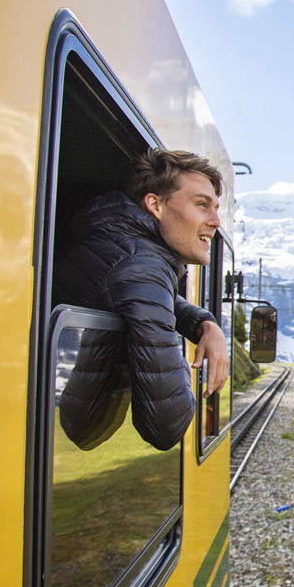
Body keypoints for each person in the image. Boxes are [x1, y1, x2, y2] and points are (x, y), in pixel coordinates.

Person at [56, 148, 229, 451]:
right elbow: (167, 426)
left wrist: (204, 323)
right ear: (155, 205)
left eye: (215, 208)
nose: (215, 221)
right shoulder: (143, 270)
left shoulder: (118, 243)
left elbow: (148, 293)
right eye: (202, 205)